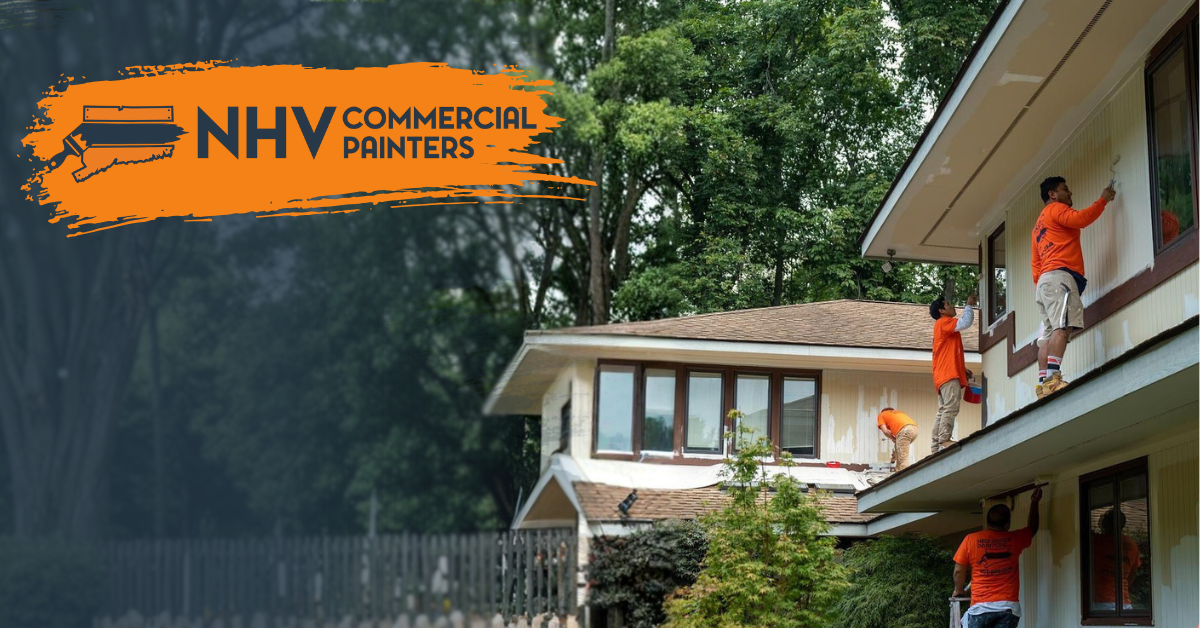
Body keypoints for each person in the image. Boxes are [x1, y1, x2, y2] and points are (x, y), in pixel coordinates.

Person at [1030, 176, 1116, 399]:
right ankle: (1053, 380)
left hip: (1045, 282)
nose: (1070, 193)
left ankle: (1042, 385)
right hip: (1060, 277)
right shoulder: (1056, 209)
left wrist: (1043, 284)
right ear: (1052, 194)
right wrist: (1103, 200)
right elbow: (1081, 219)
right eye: (1065, 189)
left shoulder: (1038, 226)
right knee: (1062, 326)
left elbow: (1035, 264)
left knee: (1048, 335)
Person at [953, 487, 1043, 628]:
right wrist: (1034, 502)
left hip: (980, 609)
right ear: (1007, 524)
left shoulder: (971, 540)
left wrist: (959, 589)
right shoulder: (1015, 540)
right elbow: (1033, 528)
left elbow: (959, 571)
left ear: (988, 522)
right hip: (1008, 608)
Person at [929, 294, 975, 453]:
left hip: (942, 375)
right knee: (951, 407)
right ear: (942, 310)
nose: (952, 306)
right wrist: (969, 305)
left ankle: (935, 445)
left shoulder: (942, 327)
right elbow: (965, 322)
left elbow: (948, 353)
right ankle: (944, 439)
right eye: (948, 304)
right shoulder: (944, 322)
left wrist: (962, 370)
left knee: (943, 409)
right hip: (948, 375)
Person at [1091, 508, 1142, 610]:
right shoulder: (1132, 545)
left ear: (1106, 523)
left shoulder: (1097, 541)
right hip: (1125, 603)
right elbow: (1132, 573)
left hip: (1102, 603)